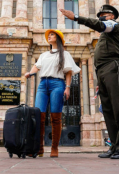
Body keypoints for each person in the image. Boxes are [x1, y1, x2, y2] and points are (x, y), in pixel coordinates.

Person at [61, 5, 119, 159]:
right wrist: (99, 80)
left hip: (113, 67)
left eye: (104, 15)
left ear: (112, 16)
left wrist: (76, 18)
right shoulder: (103, 36)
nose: (101, 17)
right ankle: (114, 146)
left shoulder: (114, 25)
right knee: (107, 110)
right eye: (100, 15)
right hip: (102, 71)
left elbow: (100, 25)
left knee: (118, 107)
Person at [25, 29, 80, 158]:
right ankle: (39, 148)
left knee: (56, 117)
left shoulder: (64, 54)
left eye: (52, 34)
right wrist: (30, 72)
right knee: (39, 116)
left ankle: (54, 148)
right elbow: (36, 66)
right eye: (48, 35)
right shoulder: (44, 55)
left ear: (58, 38)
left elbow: (68, 72)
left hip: (58, 84)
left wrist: (67, 87)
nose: (49, 36)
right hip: (43, 84)